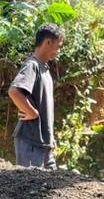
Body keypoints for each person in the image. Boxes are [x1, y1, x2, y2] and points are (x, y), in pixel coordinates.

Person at [8, 24, 64, 169]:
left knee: (51, 189)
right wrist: (31, 112)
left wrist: (50, 138)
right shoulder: (32, 66)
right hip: (31, 142)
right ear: (48, 42)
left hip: (44, 144)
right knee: (31, 188)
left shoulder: (44, 69)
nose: (58, 51)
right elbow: (14, 92)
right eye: (58, 46)